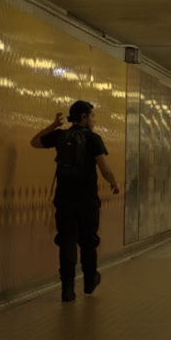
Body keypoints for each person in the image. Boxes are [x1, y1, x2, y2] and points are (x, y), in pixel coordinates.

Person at [31, 100, 120, 302]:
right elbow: (104, 167)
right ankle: (90, 280)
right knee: (88, 241)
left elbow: (34, 142)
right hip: (87, 201)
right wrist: (114, 183)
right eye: (93, 116)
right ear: (84, 117)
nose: (94, 120)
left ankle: (67, 289)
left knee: (67, 242)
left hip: (64, 200)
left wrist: (53, 126)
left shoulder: (61, 136)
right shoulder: (93, 139)